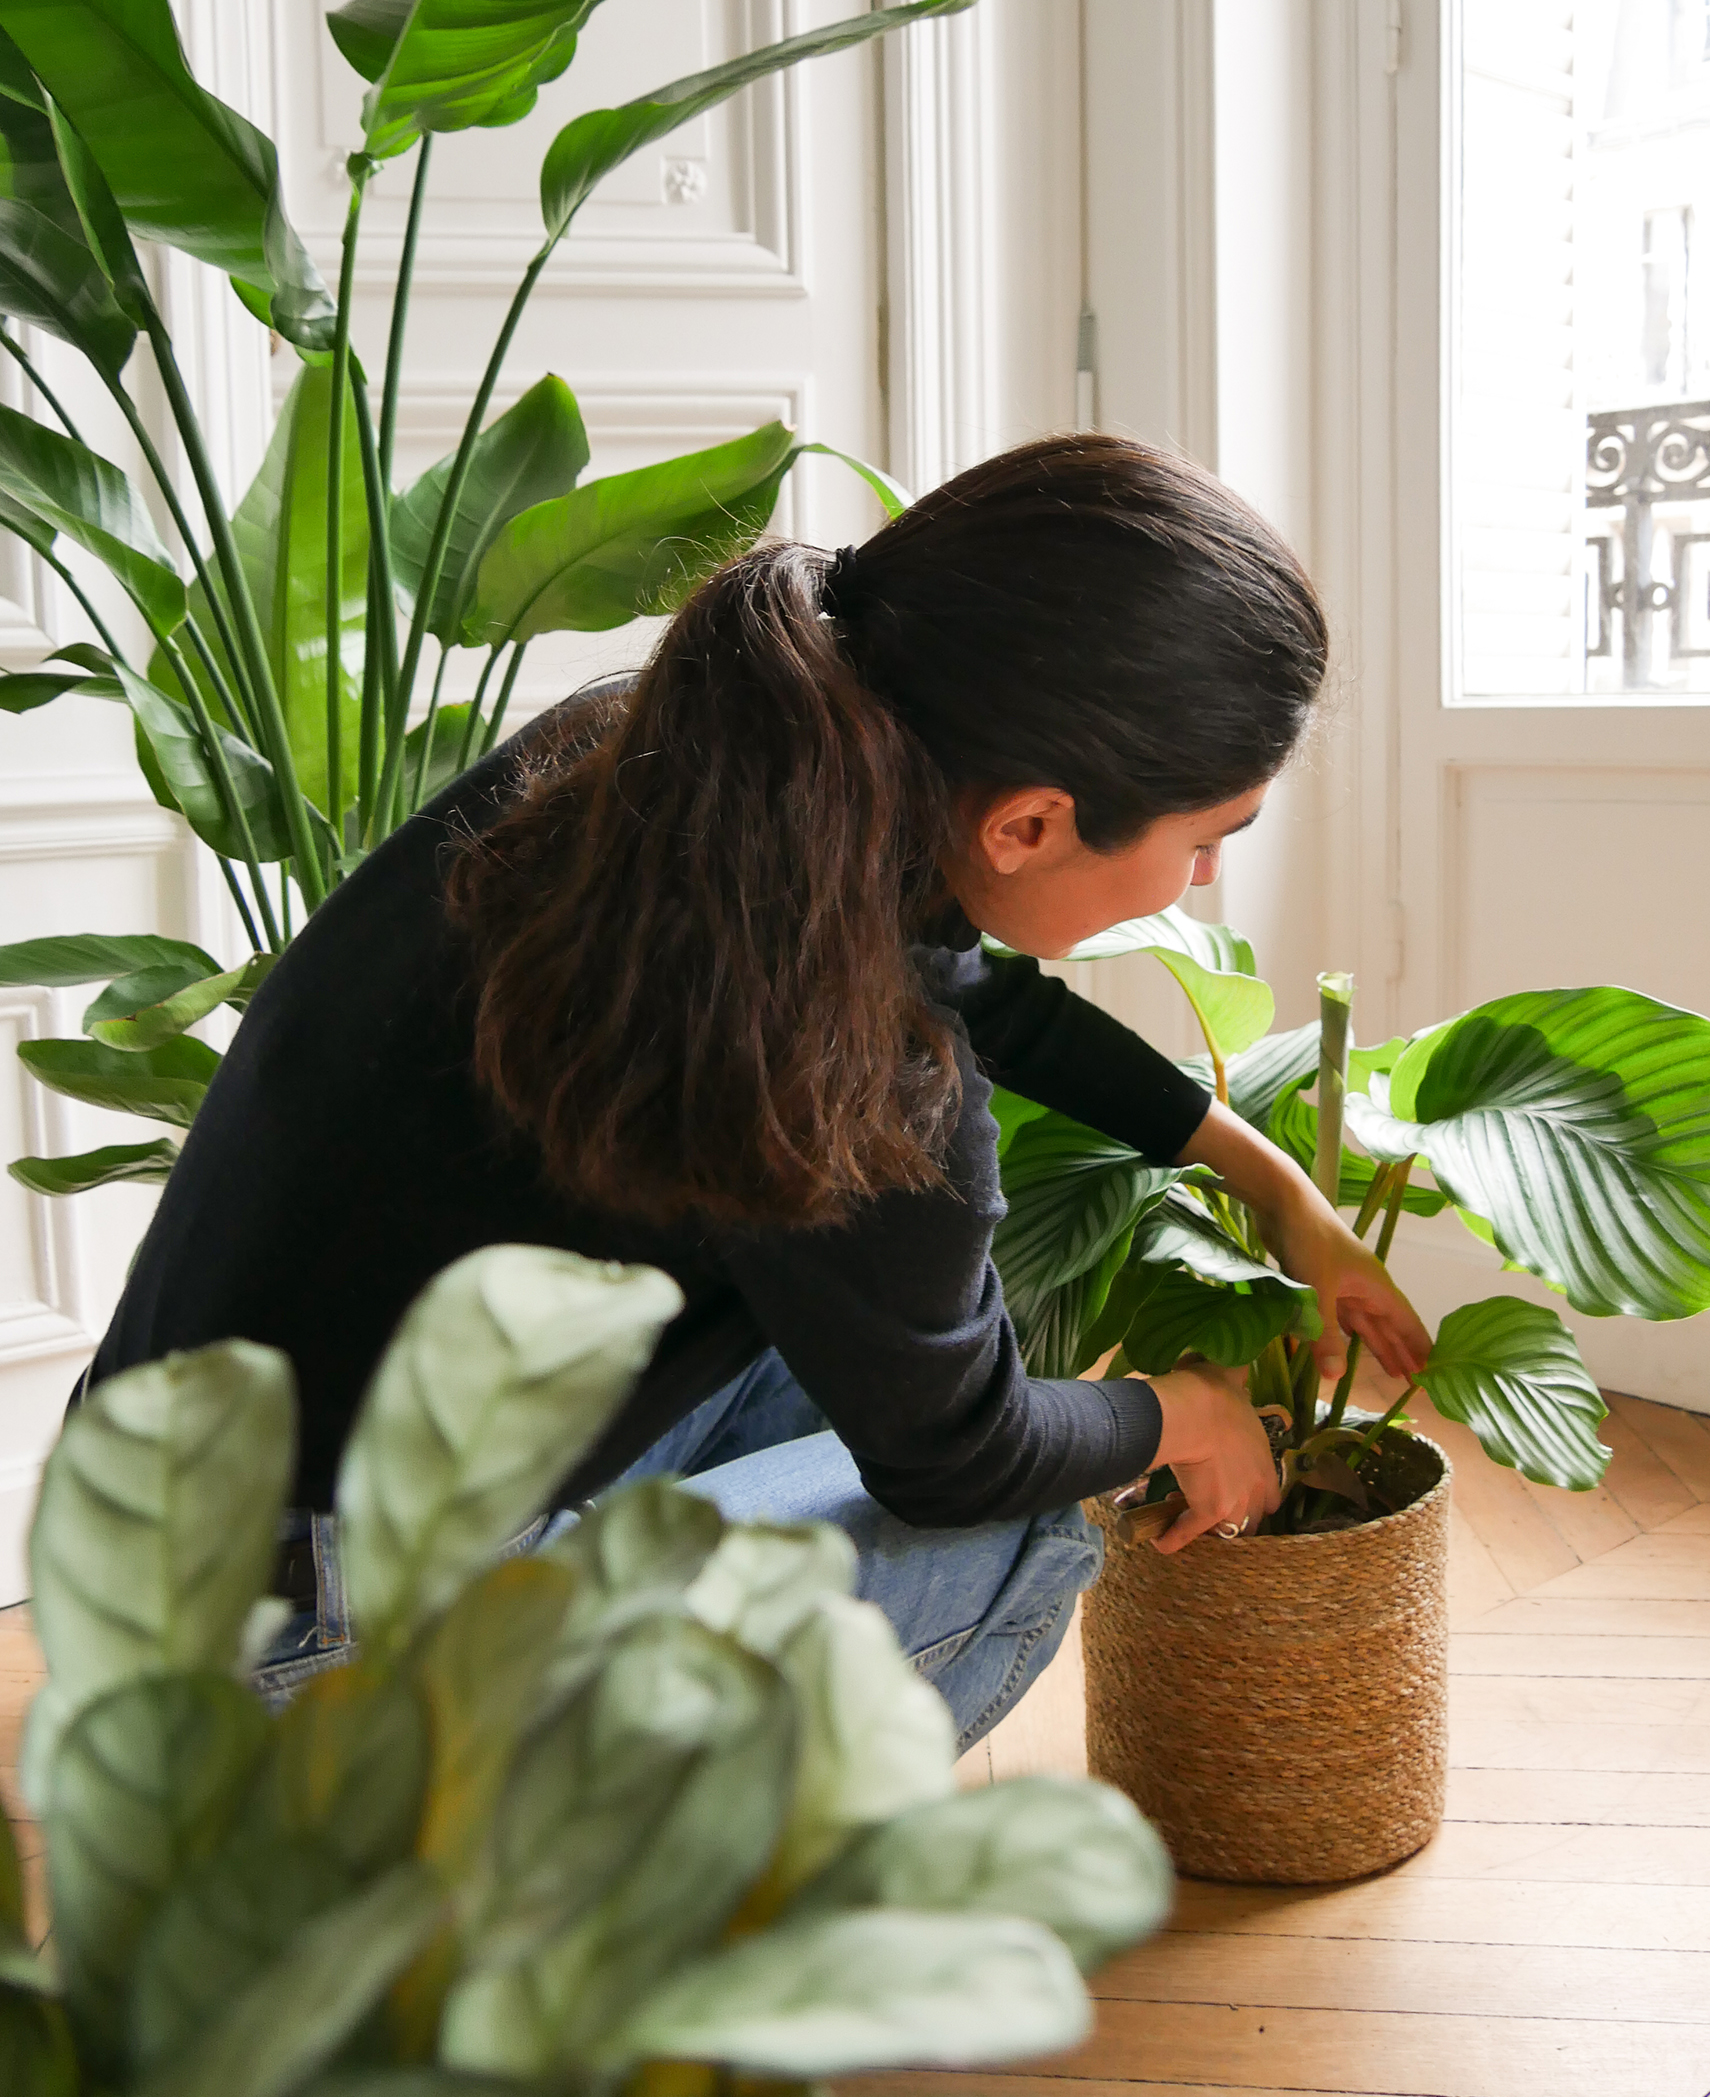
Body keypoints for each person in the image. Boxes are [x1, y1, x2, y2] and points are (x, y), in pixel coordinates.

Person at [88, 434, 1430, 1742]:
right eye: (1207, 841)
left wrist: (1275, 1180)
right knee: (1019, 1516)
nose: (1204, 883)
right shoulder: (857, 1056)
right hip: (309, 1657)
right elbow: (957, 1455)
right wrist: (1185, 1414)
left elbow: (981, 993)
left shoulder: (661, 761)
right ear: (1025, 824)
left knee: (866, 1344)